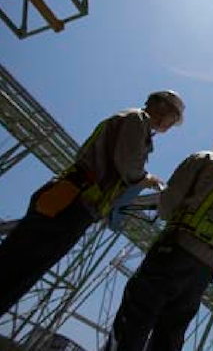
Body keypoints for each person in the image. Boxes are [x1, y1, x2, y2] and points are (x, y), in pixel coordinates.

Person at [0, 90, 185, 315]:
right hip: (73, 202)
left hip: (74, 199)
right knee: (18, 269)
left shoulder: (134, 122)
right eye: (173, 119)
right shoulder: (137, 120)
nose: (170, 125)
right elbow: (127, 166)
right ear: (163, 110)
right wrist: (146, 179)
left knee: (20, 266)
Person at [104, 128, 213, 351]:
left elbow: (169, 202)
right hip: (204, 269)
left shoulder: (204, 159)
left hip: (175, 249)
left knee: (136, 316)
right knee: (171, 332)